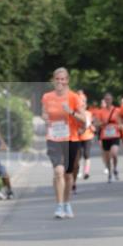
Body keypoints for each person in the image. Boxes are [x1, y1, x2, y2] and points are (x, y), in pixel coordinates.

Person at [41, 68, 86, 219]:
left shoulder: (74, 97)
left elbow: (83, 119)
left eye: (63, 79)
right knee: (58, 172)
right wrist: (45, 118)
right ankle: (59, 206)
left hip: (71, 139)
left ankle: (67, 203)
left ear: (67, 80)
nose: (60, 82)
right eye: (57, 79)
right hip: (54, 139)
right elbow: (44, 112)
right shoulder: (47, 97)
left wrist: (71, 112)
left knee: (68, 175)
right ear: (53, 80)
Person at [71, 90, 95, 192]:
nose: (82, 104)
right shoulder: (73, 113)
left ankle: (85, 172)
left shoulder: (88, 113)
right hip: (74, 138)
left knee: (86, 155)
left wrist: (91, 127)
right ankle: (73, 180)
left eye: (83, 102)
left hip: (87, 137)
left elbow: (88, 124)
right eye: (80, 102)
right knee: (75, 161)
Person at [95, 92, 122, 181]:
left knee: (114, 154)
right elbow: (96, 123)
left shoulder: (117, 110)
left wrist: (120, 125)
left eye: (109, 99)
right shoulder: (100, 111)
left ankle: (115, 168)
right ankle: (110, 172)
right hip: (105, 136)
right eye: (106, 99)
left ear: (112, 100)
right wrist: (103, 123)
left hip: (115, 135)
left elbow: (121, 122)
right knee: (107, 157)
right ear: (104, 101)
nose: (108, 101)